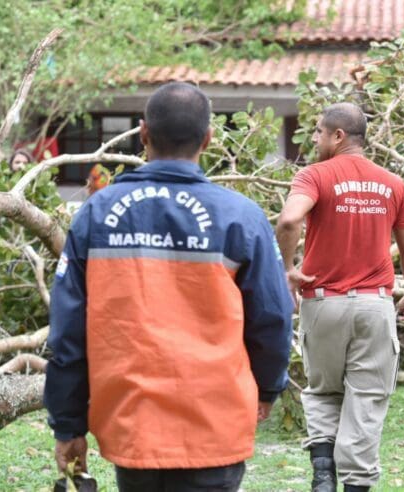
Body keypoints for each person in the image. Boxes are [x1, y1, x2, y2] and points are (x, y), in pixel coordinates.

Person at [44, 82, 293, 492]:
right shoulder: (241, 217)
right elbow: (273, 318)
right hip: (215, 424)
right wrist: (267, 387)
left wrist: (67, 423)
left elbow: (67, 329)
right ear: (208, 139)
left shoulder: (97, 213)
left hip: (133, 425)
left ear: (144, 134)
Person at [276, 102, 404, 492]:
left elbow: (290, 219)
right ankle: (356, 485)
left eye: (319, 131)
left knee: (324, 391)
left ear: (338, 136)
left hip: (323, 304)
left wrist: (288, 269)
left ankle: (323, 475)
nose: (314, 138)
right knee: (367, 398)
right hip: (375, 305)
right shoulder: (393, 182)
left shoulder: (313, 176)